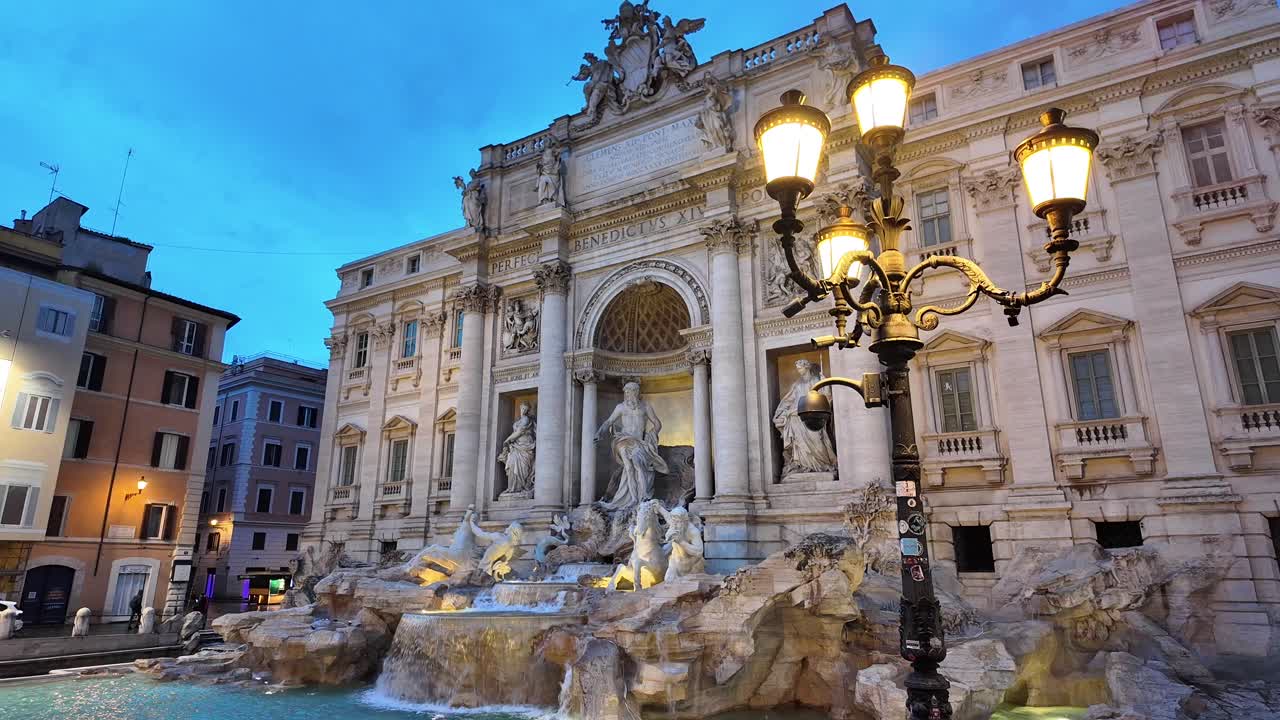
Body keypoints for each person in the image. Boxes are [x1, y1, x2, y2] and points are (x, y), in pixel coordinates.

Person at [595, 382, 668, 509]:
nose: (628, 394)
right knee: (629, 468)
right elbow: (609, 421)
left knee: (638, 465)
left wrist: (653, 434)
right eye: (627, 392)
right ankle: (634, 499)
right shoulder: (621, 407)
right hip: (623, 439)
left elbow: (657, 422)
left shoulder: (645, 406)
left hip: (638, 441)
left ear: (637, 392)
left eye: (631, 391)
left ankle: (643, 497)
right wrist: (599, 432)